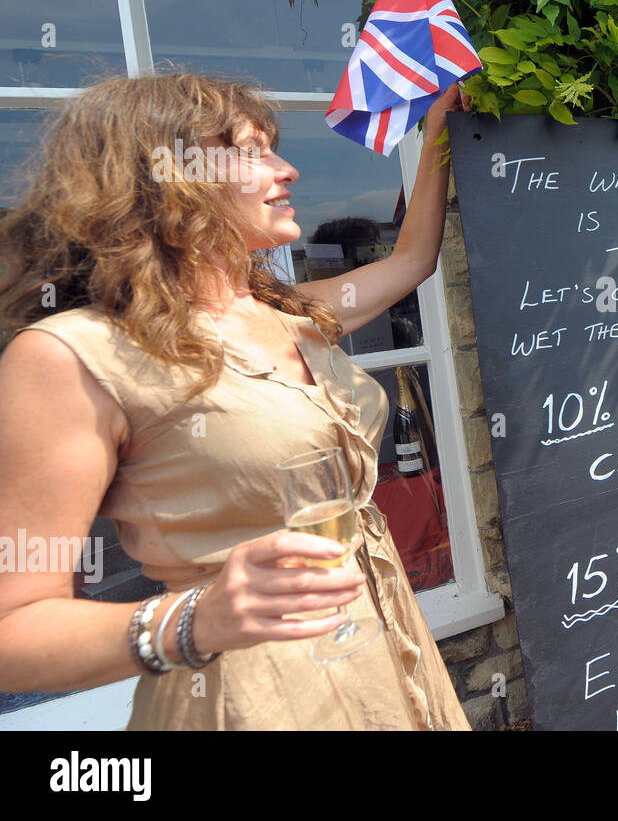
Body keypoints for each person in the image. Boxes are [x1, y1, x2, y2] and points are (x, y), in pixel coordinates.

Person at [0, 73, 471, 730]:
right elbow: (11, 630)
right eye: (255, 153)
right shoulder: (69, 356)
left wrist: (440, 128)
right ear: (169, 179)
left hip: (389, 659)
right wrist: (195, 619)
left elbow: (414, 259)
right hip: (248, 701)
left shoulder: (291, 313)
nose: (289, 169)